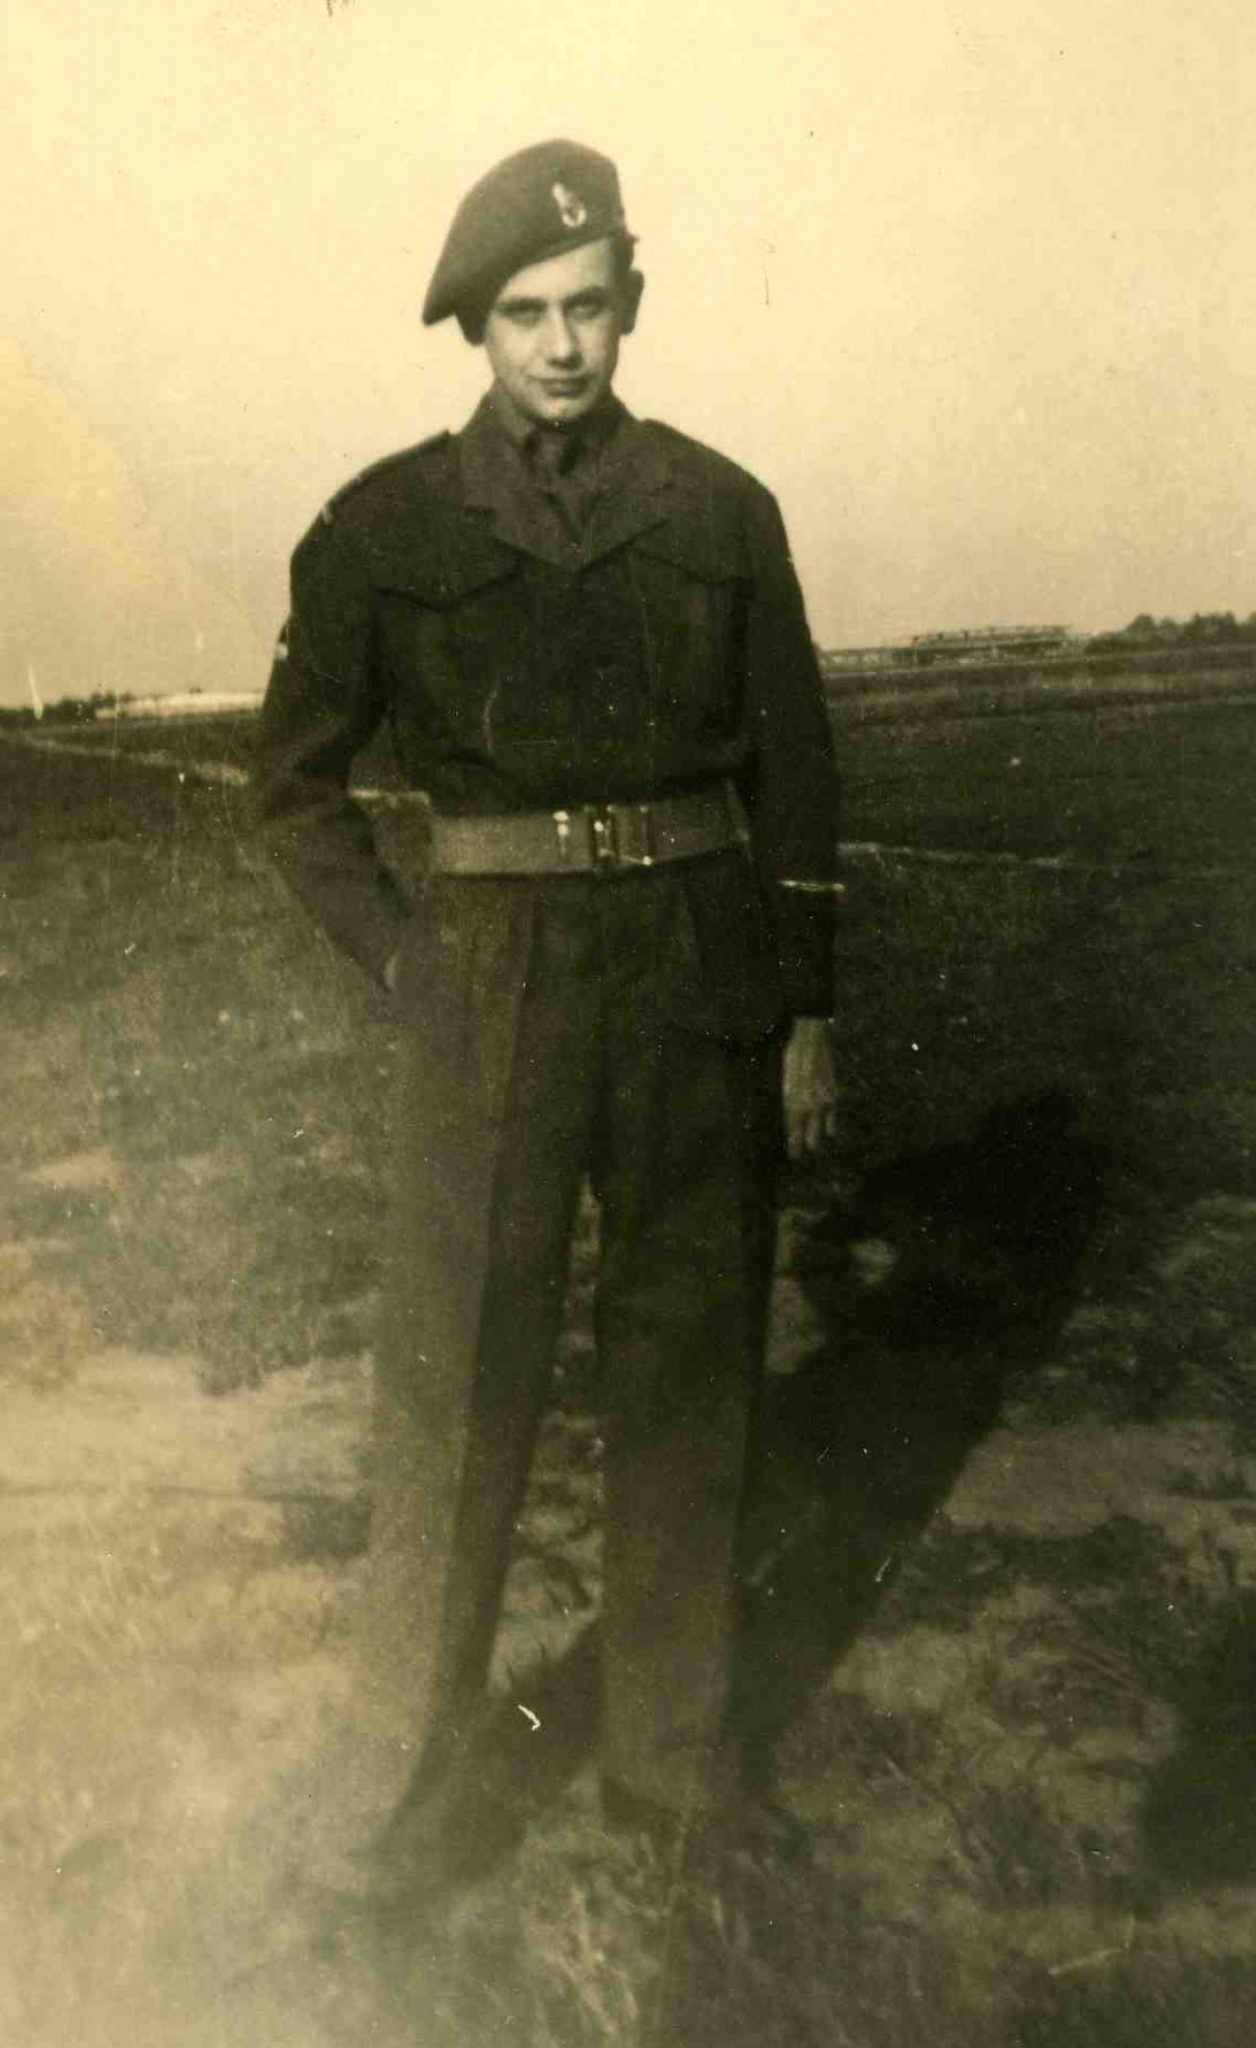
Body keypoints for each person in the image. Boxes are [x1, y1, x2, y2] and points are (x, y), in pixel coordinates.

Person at [254, 139, 840, 1889]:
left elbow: (799, 771)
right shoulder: (383, 528)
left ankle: (671, 1768)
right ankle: (403, 1783)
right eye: (525, 315)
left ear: (631, 306)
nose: (562, 345)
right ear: (476, 331)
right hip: (489, 978)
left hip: (694, 964)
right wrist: (411, 958)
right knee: (458, 1380)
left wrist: (806, 1009)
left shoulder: (724, 513)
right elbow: (294, 789)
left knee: (688, 1368)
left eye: (590, 308)